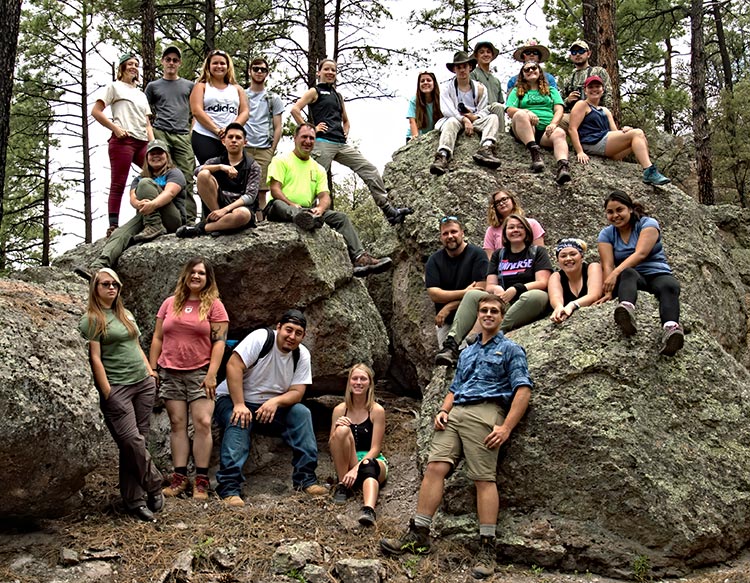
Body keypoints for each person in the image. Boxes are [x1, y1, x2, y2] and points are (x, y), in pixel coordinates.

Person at [380, 294, 532, 580]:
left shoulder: (511, 349)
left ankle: (487, 546)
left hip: (487, 413)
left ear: (501, 317)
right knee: (435, 468)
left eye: (493, 311)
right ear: (478, 315)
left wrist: (507, 427)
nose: (488, 314)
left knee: (483, 478)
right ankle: (419, 532)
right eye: (483, 310)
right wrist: (443, 410)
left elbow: (523, 389)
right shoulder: (468, 350)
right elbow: (456, 386)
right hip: (456, 412)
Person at [213, 310, 328, 506]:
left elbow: (298, 392)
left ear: (303, 336)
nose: (292, 337)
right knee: (239, 418)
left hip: (270, 408)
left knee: (302, 413)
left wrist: (275, 402)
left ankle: (306, 479)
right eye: (288, 330)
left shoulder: (301, 355)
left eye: (298, 333)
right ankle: (229, 488)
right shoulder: (261, 338)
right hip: (233, 398)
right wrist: (240, 404)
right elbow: (233, 366)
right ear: (278, 328)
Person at [79, 268, 163, 522]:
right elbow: (96, 358)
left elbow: (136, 344)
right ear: (95, 289)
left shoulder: (125, 314)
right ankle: (155, 483)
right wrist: (108, 392)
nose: (111, 288)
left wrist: (151, 373)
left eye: (115, 284)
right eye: (105, 284)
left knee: (136, 445)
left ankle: (135, 502)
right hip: (118, 389)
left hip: (143, 385)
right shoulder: (92, 319)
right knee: (131, 442)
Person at [291, 59, 412, 225]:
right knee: (314, 179)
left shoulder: (338, 96)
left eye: (333, 70)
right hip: (323, 143)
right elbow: (295, 109)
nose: (330, 72)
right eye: (326, 69)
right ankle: (305, 214)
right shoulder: (314, 91)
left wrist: (346, 129)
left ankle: (389, 211)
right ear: (319, 73)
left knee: (369, 169)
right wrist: (311, 129)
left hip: (341, 143)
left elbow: (346, 120)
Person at [265, 123, 392, 277]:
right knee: (279, 204)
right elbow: (275, 189)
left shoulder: (317, 168)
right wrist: (292, 205)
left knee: (341, 218)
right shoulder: (281, 160)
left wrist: (320, 209)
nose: (308, 141)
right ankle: (301, 217)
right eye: (304, 137)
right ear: (295, 138)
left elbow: (325, 196)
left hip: (308, 211)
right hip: (280, 209)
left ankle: (360, 258)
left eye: (312, 138)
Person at [149, 258, 228, 501]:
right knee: (177, 424)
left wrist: (212, 373)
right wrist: (152, 370)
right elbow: (158, 338)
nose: (196, 276)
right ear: (185, 275)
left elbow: (219, 342)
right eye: (192, 272)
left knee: (203, 422)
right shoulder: (169, 304)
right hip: (170, 371)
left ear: (208, 279)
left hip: (200, 372)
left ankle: (201, 481)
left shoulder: (215, 306)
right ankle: (179, 478)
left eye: (201, 273)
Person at [436, 215, 553, 366]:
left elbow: (543, 282)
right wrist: (496, 289)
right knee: (473, 294)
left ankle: (488, 334)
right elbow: (490, 284)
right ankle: (451, 345)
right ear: (505, 233)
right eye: (511, 227)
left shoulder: (537, 252)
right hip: (502, 300)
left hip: (527, 299)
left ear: (527, 231)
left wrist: (516, 289)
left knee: (535, 296)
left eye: (520, 227)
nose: (515, 230)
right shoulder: (499, 254)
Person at [74, 140, 186, 281]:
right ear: (146, 157)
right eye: (152, 153)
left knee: (145, 184)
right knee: (120, 233)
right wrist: (139, 204)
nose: (156, 156)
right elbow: (132, 198)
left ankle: (154, 225)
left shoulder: (174, 173)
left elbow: (169, 193)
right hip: (145, 215)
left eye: (160, 153)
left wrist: (153, 204)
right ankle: (99, 267)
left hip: (172, 219)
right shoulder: (138, 178)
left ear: (167, 156)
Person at [596, 191, 684, 355]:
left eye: (619, 210)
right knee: (628, 273)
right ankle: (626, 312)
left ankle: (671, 329)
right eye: (610, 212)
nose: (615, 215)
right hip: (633, 277)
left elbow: (641, 253)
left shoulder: (648, 224)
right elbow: (607, 264)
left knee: (670, 286)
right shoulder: (607, 234)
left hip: (656, 272)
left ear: (630, 209)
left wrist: (615, 273)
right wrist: (608, 291)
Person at [92, 52, 154, 236]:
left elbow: (147, 123)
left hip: (143, 142)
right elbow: (96, 111)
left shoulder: (141, 94)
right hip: (123, 141)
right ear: (122, 67)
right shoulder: (114, 87)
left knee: (155, 176)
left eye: (136, 64)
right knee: (118, 183)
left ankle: (151, 219)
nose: (134, 67)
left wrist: (154, 145)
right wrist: (115, 128)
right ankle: (113, 226)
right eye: (130, 64)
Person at [569, 76, 670, 186]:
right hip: (591, 142)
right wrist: (579, 151)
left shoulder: (605, 110)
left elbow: (614, 132)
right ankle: (649, 171)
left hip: (605, 144)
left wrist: (626, 131)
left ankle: (648, 170)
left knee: (639, 137)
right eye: (591, 87)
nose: (594, 89)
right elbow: (572, 129)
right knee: (637, 133)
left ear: (602, 89)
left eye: (597, 86)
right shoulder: (582, 105)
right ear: (585, 90)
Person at [328, 363, 387, 526]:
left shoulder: (376, 411)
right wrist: (337, 428)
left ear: (369, 383)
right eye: (355, 379)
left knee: (368, 465)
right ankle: (343, 485)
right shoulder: (340, 409)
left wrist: (356, 469)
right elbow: (332, 445)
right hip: (348, 459)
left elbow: (376, 448)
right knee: (341, 431)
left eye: (363, 379)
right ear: (349, 383)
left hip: (371, 460)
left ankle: (368, 509)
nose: (358, 382)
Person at [175, 123, 259, 237]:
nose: (234, 140)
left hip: (238, 209)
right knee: (203, 174)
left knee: (242, 214)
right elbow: (196, 171)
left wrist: (224, 210)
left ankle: (202, 228)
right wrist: (220, 167)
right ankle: (221, 223)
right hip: (216, 207)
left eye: (238, 137)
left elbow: (250, 196)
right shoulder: (216, 161)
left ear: (245, 143)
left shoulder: (253, 166)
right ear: (224, 141)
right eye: (230, 137)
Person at [145, 46, 197, 222]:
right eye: (168, 59)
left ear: (179, 63)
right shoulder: (153, 86)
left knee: (187, 176)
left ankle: (189, 219)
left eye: (175, 60)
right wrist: (151, 136)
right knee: (160, 174)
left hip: (183, 135)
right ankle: (158, 217)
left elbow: (196, 111)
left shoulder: (189, 86)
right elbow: (144, 112)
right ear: (162, 62)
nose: (171, 63)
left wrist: (191, 132)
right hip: (161, 133)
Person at [429, 51, 502, 176]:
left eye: (465, 66)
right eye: (458, 67)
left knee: (493, 118)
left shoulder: (480, 88)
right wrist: (463, 119)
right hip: (456, 119)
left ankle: (486, 147)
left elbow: (483, 109)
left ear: (470, 67)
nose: (462, 70)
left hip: (474, 119)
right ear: (454, 70)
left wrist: (475, 117)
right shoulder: (447, 88)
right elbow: (447, 110)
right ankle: (442, 155)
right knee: (451, 122)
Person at [424, 216, 489, 346]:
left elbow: (481, 293)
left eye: (454, 232)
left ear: (462, 233)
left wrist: (448, 306)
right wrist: (465, 292)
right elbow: (434, 294)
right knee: (447, 361)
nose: (450, 236)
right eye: (445, 233)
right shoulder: (434, 260)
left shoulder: (477, 255)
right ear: (441, 237)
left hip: (473, 319)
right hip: (446, 322)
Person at [506, 61, 571, 185]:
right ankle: (535, 155)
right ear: (523, 75)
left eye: (533, 68)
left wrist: (553, 124)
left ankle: (563, 167)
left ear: (539, 71)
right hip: (525, 128)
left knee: (560, 134)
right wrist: (526, 111)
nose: (531, 71)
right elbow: (509, 110)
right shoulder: (517, 91)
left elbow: (559, 109)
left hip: (546, 129)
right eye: (527, 70)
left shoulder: (551, 90)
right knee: (520, 114)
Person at [190, 49, 249, 164]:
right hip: (205, 135)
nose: (219, 66)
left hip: (231, 138)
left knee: (233, 173)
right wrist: (217, 130)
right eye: (215, 63)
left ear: (228, 66)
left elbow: (245, 112)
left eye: (222, 63)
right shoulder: (201, 86)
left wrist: (230, 129)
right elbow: (196, 111)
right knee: (211, 171)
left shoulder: (237, 89)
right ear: (208, 66)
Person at [243, 57, 284, 222]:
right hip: (243, 148)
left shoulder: (273, 98)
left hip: (264, 148)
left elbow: (278, 126)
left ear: (267, 73)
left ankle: (261, 225)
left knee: (261, 191)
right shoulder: (241, 95)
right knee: (241, 189)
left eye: (263, 70)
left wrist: (272, 149)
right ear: (250, 71)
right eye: (256, 69)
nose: (259, 72)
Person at [548, 238, 603, 323]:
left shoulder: (593, 267)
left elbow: (594, 294)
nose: (568, 258)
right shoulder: (556, 276)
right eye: (563, 256)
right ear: (557, 260)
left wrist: (572, 305)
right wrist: (559, 308)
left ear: (581, 256)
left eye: (573, 254)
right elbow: (556, 298)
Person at [483, 190, 545, 259]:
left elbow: (541, 255)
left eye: (504, 199)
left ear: (512, 200)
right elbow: (490, 259)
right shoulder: (491, 230)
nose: (501, 203)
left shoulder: (532, 224)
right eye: (497, 202)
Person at [560, 40, 613, 116]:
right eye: (574, 52)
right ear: (571, 56)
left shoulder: (599, 72)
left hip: (596, 116)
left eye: (581, 51)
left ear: (588, 54)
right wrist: (568, 100)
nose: (577, 54)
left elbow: (608, 96)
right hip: (573, 118)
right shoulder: (568, 79)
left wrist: (605, 116)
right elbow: (559, 103)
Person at [470, 41, 505, 132]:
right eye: (482, 52)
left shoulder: (496, 80)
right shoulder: (473, 75)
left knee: (499, 107)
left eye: (488, 52)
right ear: (476, 56)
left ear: (492, 56)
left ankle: (501, 136)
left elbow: (500, 101)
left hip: (495, 111)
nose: (485, 54)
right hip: (478, 113)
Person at [406, 71, 443, 142]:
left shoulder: (441, 98)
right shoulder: (414, 100)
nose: (425, 82)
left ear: (434, 83)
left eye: (429, 80)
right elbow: (412, 121)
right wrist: (415, 140)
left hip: (434, 134)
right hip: (416, 134)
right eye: (422, 81)